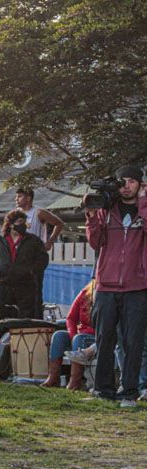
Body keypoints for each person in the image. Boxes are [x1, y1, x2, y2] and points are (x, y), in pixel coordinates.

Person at [84, 165, 147, 408]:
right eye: (123, 181)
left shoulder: (144, 208)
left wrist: (142, 203)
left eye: (132, 181)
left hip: (137, 286)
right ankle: (103, 390)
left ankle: (129, 392)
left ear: (141, 185)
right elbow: (95, 241)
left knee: (133, 342)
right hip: (106, 286)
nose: (126, 186)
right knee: (104, 339)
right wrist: (91, 215)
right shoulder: (107, 209)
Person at [0, 209, 48, 321]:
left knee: (26, 321)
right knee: (4, 321)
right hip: (4, 287)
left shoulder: (33, 240)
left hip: (26, 287)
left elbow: (43, 259)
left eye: (24, 222)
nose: (24, 225)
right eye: (20, 222)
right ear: (10, 224)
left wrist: (31, 271)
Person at [15, 188, 65, 318]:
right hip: (18, 257)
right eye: (16, 196)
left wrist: (49, 241)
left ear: (29, 198)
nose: (16, 199)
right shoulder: (15, 214)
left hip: (34, 256)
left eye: (20, 196)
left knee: (35, 290)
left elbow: (59, 223)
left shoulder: (38, 212)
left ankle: (36, 320)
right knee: (18, 291)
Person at [42, 281, 96, 389]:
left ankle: (75, 381)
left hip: (95, 337)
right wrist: (72, 335)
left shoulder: (107, 295)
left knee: (78, 338)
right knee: (59, 336)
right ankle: (53, 377)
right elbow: (71, 318)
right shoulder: (85, 293)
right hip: (80, 334)